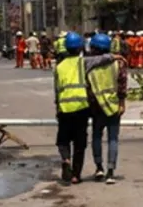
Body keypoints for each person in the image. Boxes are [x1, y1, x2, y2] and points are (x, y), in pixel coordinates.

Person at [85, 33, 127, 184]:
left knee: (96, 137)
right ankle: (110, 172)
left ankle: (99, 168)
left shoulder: (89, 64)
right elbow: (122, 85)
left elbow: (87, 87)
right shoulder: (118, 64)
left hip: (96, 107)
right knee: (113, 138)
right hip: (113, 105)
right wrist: (122, 103)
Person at [54, 31, 90, 185]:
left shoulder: (59, 67)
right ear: (80, 47)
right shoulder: (84, 63)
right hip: (82, 106)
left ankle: (66, 159)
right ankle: (76, 175)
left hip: (64, 107)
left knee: (63, 139)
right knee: (80, 142)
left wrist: (58, 108)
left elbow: (57, 90)